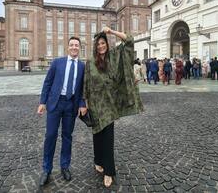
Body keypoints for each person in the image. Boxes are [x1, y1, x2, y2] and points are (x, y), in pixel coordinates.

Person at [83, 27, 143, 188]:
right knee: (97, 135)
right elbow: (86, 85)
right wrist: (85, 105)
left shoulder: (114, 56)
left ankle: (109, 171)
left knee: (108, 138)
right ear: (95, 46)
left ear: (107, 45)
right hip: (95, 105)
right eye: (99, 44)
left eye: (103, 43)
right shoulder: (90, 62)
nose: (101, 46)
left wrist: (112, 32)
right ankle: (98, 161)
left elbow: (129, 40)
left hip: (109, 104)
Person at [37, 36, 87, 186]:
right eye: (71, 45)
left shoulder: (83, 66)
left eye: (76, 45)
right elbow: (48, 82)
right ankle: (47, 169)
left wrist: (82, 104)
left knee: (67, 136)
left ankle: (65, 166)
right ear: (68, 47)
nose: (74, 47)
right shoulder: (57, 62)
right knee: (50, 135)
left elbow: (83, 88)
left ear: (80, 48)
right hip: (55, 103)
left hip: (71, 105)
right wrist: (42, 102)